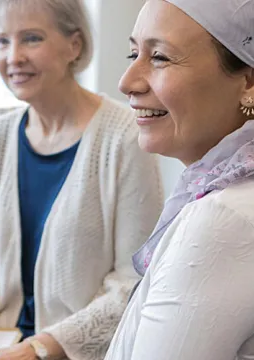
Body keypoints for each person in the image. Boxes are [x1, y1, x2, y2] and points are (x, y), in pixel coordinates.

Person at [0, 0, 163, 359]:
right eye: (3, 41)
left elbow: (131, 285)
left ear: (75, 45)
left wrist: (39, 349)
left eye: (32, 39)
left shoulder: (126, 138)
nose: (13, 56)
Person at [104, 0, 254, 359]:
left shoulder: (222, 220)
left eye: (160, 57)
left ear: (249, 82)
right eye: (133, 54)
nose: (127, 82)